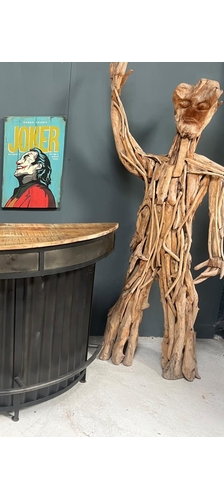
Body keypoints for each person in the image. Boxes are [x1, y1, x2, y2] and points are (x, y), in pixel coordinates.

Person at [99, 63, 224, 381]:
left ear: (212, 112)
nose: (191, 113)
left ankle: (179, 361)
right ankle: (118, 346)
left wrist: (216, 254)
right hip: (145, 249)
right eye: (185, 104)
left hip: (177, 254)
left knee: (182, 302)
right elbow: (126, 146)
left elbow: (216, 215)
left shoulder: (208, 172)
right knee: (131, 297)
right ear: (175, 109)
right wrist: (115, 95)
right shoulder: (154, 166)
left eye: (202, 107)